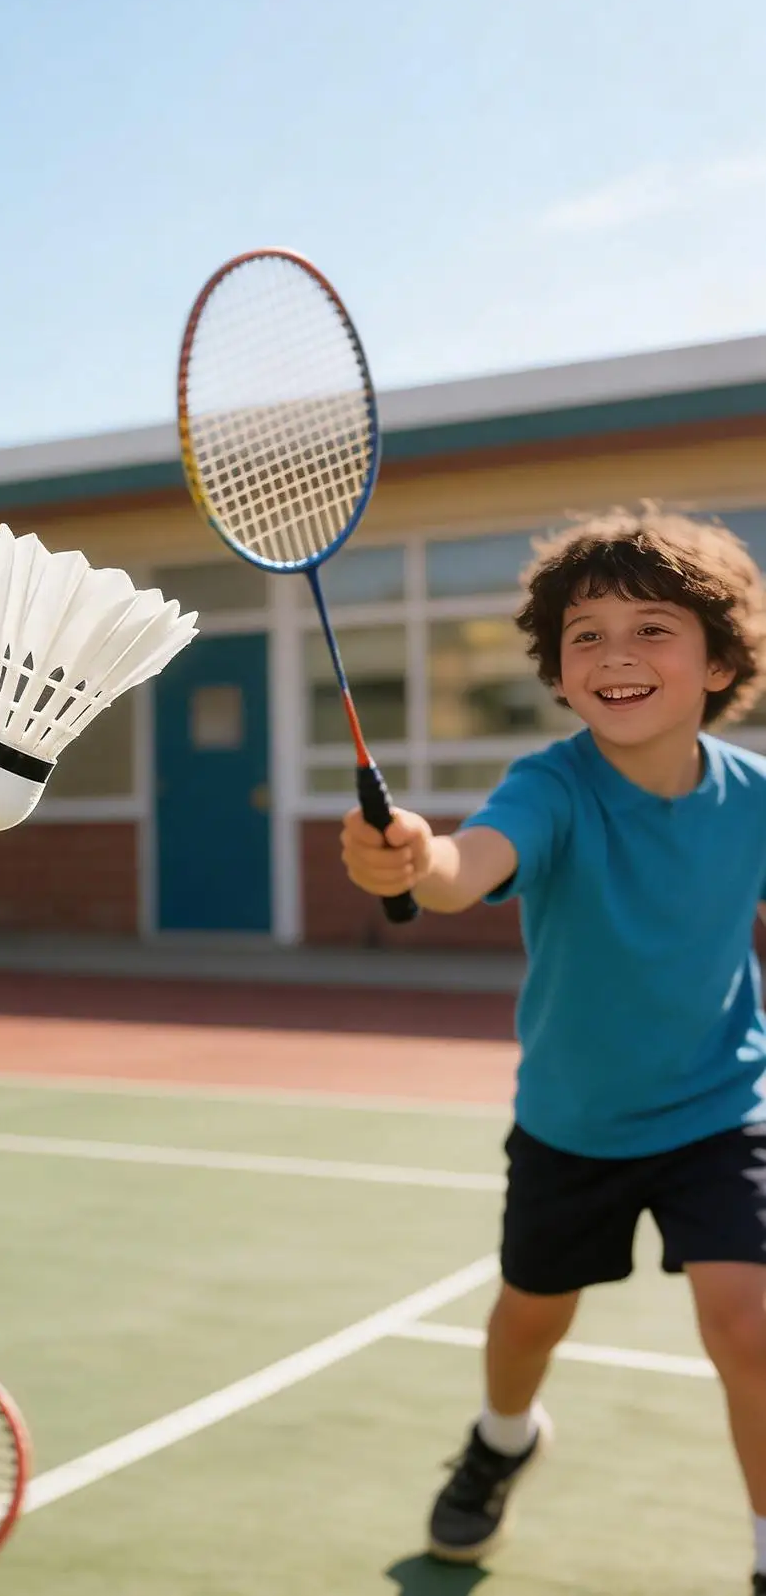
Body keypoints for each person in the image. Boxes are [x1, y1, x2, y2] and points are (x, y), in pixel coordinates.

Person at [340, 503, 766, 1591]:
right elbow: (464, 865)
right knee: (529, 1317)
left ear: (717, 658)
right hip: (572, 1121)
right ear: (558, 669)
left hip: (720, 1105)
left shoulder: (753, 797)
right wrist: (410, 860)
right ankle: (499, 1436)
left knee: (748, 1323)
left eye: (650, 628)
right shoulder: (552, 785)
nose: (614, 654)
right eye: (585, 634)